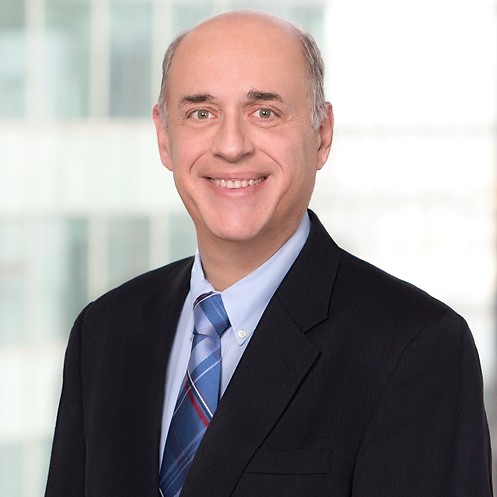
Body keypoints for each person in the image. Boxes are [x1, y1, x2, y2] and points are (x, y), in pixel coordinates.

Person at [45, 9, 493, 497]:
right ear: (164, 136)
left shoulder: (417, 349)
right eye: (201, 113)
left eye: (265, 112)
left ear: (322, 134)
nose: (231, 146)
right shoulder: (104, 332)